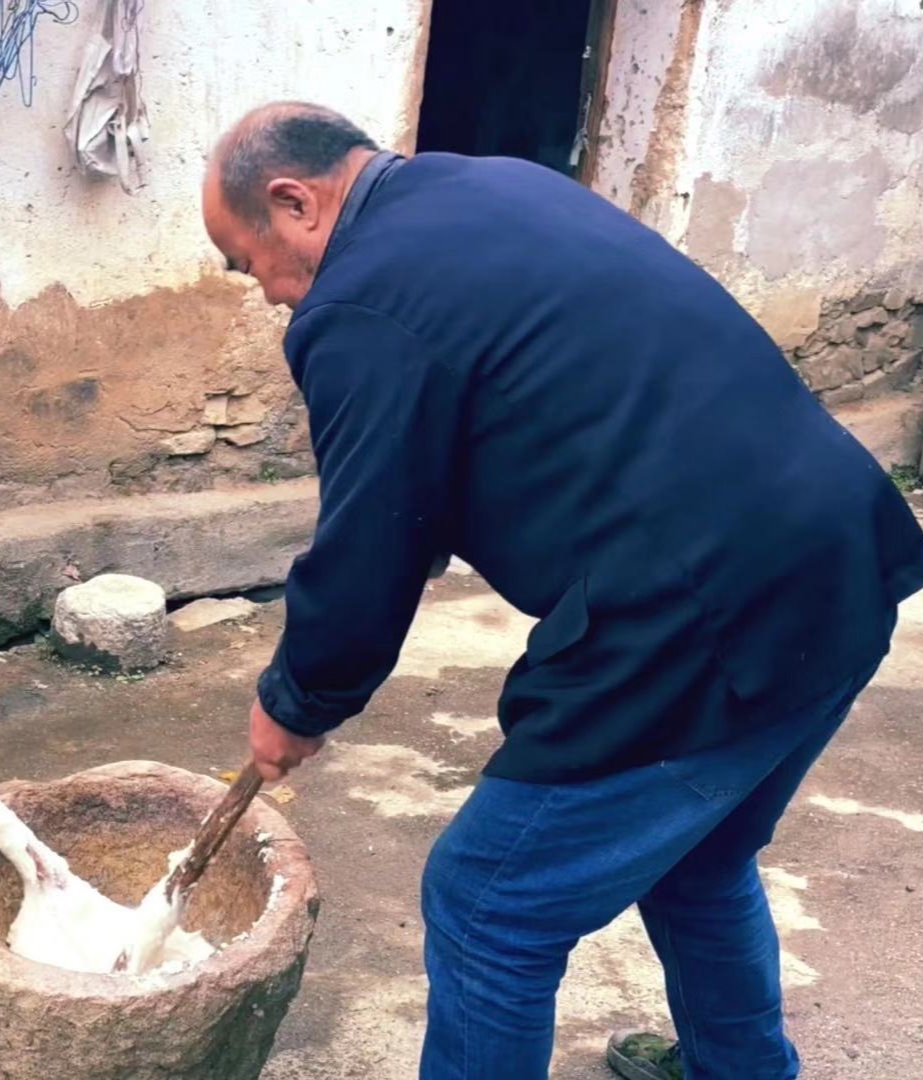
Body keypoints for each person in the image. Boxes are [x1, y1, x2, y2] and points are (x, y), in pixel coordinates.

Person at [205, 102, 923, 1080]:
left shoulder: (358, 301)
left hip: (711, 610)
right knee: (699, 861)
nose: (264, 294)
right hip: (842, 549)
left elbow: (369, 540)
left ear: (293, 203)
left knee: (488, 903)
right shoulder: (494, 183)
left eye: (246, 263)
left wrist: (297, 702)